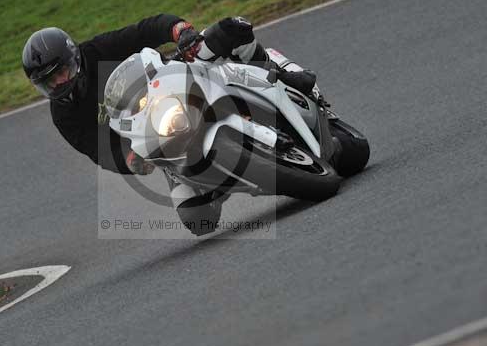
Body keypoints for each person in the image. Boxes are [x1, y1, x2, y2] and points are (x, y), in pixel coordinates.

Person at [22, 14, 317, 235]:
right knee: (198, 221)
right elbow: (97, 150)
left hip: (175, 88)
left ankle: (281, 72)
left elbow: (143, 31)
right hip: (157, 137)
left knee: (224, 34)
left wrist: (179, 30)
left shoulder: (97, 51)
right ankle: (229, 176)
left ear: (73, 57)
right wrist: (129, 158)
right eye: (48, 81)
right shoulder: (63, 115)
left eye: (60, 72)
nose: (58, 82)